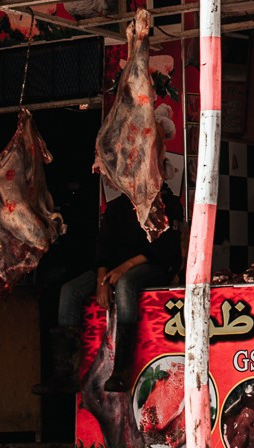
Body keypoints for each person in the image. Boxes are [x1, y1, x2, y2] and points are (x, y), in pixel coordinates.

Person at [38, 143, 183, 396]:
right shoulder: (117, 207)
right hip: (115, 269)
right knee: (70, 290)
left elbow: (164, 249)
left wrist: (124, 267)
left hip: (151, 266)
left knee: (126, 283)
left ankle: (122, 370)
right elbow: (103, 246)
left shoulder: (168, 203)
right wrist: (102, 278)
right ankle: (66, 374)